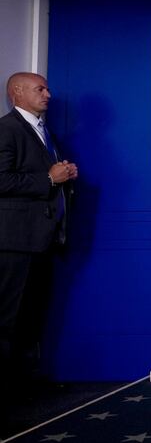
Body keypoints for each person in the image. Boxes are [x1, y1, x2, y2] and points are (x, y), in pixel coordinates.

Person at [0, 72, 77, 403]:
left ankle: (27, 385)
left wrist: (65, 177)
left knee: (32, 317)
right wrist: (48, 178)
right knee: (8, 317)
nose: (49, 93)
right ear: (17, 92)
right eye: (40, 89)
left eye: (47, 87)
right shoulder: (6, 129)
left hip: (43, 239)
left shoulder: (44, 130)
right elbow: (2, 180)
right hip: (16, 241)